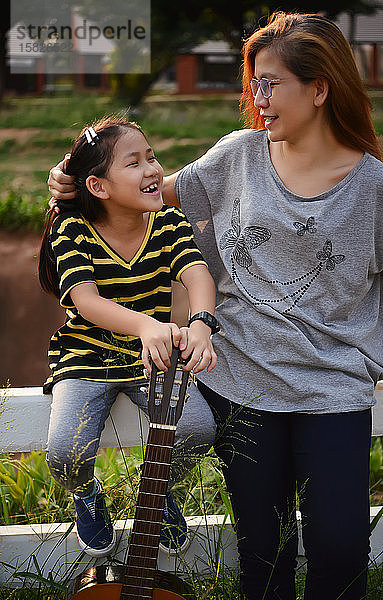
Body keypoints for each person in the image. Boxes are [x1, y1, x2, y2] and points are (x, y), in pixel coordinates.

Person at [47, 12, 383, 600]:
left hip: (334, 391)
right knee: (263, 554)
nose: (257, 97)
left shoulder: (374, 189)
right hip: (241, 385)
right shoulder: (237, 157)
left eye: (270, 83)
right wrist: (74, 183)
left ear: (320, 88)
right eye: (253, 82)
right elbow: (144, 192)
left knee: (340, 549)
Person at [39, 115, 219, 558]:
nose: (153, 169)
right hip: (87, 356)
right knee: (65, 453)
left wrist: (199, 323)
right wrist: (146, 325)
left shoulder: (168, 223)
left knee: (198, 429)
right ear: (98, 186)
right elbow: (86, 302)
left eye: (152, 156)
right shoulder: (72, 230)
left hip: (151, 358)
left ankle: (154, 494)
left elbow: (198, 276)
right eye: (134, 162)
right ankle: (88, 495)